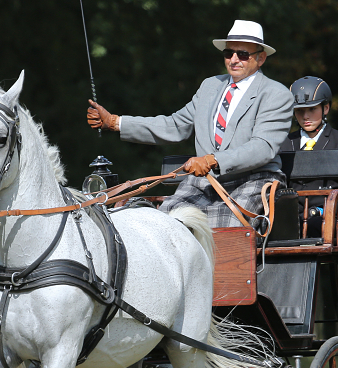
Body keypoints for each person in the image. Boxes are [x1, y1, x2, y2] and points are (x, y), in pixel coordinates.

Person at [87, 20, 293, 228]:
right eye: (228, 53)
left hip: (253, 180)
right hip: (206, 180)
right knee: (167, 220)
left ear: (261, 58)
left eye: (242, 54)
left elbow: (263, 147)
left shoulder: (276, 94)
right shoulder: (210, 86)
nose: (233, 59)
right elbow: (175, 125)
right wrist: (115, 122)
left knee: (226, 225)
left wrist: (214, 160)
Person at [280, 76, 338, 237]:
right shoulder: (283, 144)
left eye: (312, 109)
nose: (305, 116)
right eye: (300, 110)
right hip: (290, 220)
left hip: (327, 220)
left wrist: (324, 211)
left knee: (314, 225)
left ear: (326, 108)